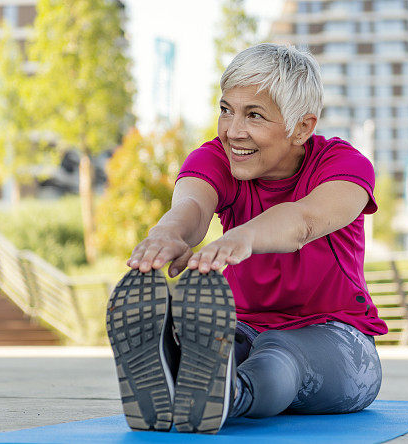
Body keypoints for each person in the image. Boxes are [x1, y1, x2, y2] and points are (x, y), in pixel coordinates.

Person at [106, 43, 387, 435]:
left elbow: (303, 221)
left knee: (281, 356)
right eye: (226, 110)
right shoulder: (219, 157)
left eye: (254, 115)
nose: (233, 131)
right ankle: (176, 365)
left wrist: (244, 237)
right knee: (234, 346)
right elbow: (194, 207)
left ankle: (230, 396)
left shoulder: (344, 167)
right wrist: (168, 233)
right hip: (239, 327)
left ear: (302, 127)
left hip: (334, 334)